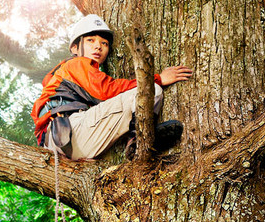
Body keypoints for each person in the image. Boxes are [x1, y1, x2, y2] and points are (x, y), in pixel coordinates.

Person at [32, 14, 193, 160]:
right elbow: (106, 90)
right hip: (71, 132)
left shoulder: (59, 77)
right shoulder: (75, 65)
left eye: (104, 43)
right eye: (90, 40)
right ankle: (141, 139)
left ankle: (135, 142)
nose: (98, 46)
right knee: (153, 91)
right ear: (75, 48)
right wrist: (158, 79)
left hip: (64, 143)